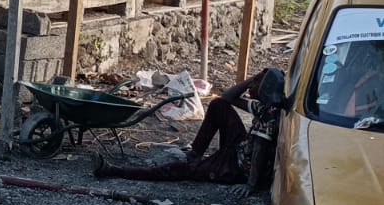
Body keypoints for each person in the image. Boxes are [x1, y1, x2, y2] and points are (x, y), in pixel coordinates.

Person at [91, 69, 274, 184]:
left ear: (265, 90)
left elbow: (260, 152)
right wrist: (253, 78)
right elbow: (227, 97)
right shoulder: (264, 106)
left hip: (236, 166)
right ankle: (196, 153)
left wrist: (251, 184)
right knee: (218, 105)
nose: (250, 88)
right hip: (240, 148)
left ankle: (116, 171)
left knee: (182, 170)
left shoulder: (269, 116)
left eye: (255, 84)